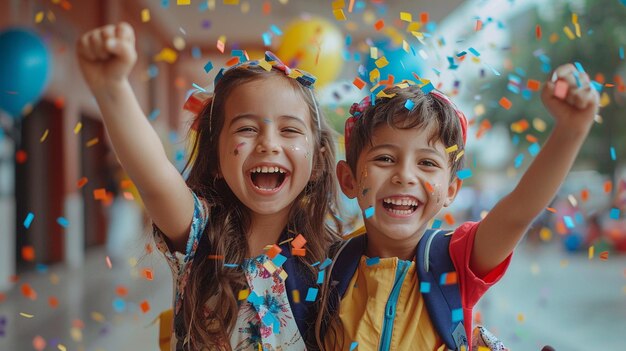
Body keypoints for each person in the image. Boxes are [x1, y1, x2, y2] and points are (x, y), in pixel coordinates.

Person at [76, 22, 342, 350]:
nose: (268, 143)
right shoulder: (200, 232)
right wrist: (112, 87)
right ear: (216, 157)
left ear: (317, 160)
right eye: (246, 128)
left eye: (289, 130)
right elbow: (155, 177)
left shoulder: (334, 257)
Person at [316, 63, 599, 350]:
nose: (404, 175)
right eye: (385, 159)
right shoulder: (326, 269)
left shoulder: (457, 259)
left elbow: (518, 212)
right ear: (348, 180)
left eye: (427, 163)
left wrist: (571, 131)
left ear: (451, 190)